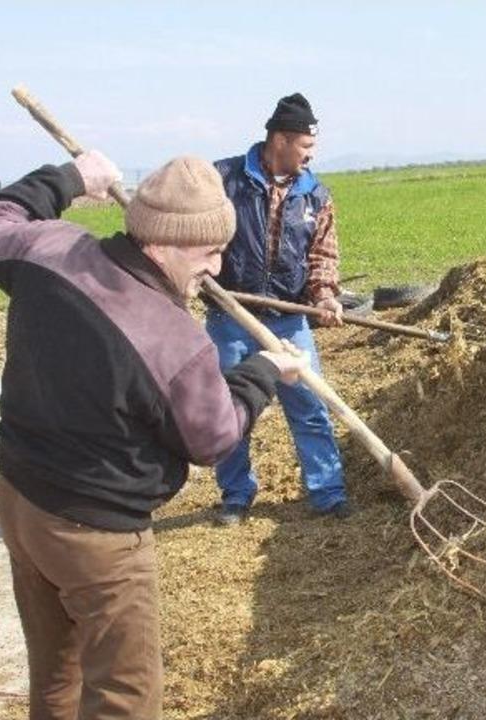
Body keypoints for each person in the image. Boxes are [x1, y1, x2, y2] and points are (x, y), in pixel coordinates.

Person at [0, 151, 307, 719]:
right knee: (125, 697)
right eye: (209, 251)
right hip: (97, 536)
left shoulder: (51, 251)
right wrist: (266, 371)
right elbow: (213, 436)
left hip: (21, 503)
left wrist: (71, 178)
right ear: (163, 244)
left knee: (56, 675)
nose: (217, 267)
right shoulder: (172, 340)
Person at [208, 92, 351, 525]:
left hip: (290, 322)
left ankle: (328, 493)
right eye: (305, 146)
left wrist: (324, 297)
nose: (310, 155)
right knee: (231, 410)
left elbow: (322, 257)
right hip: (231, 317)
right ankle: (236, 495)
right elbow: (198, 234)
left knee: (310, 407)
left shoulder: (315, 195)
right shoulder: (223, 180)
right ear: (281, 140)